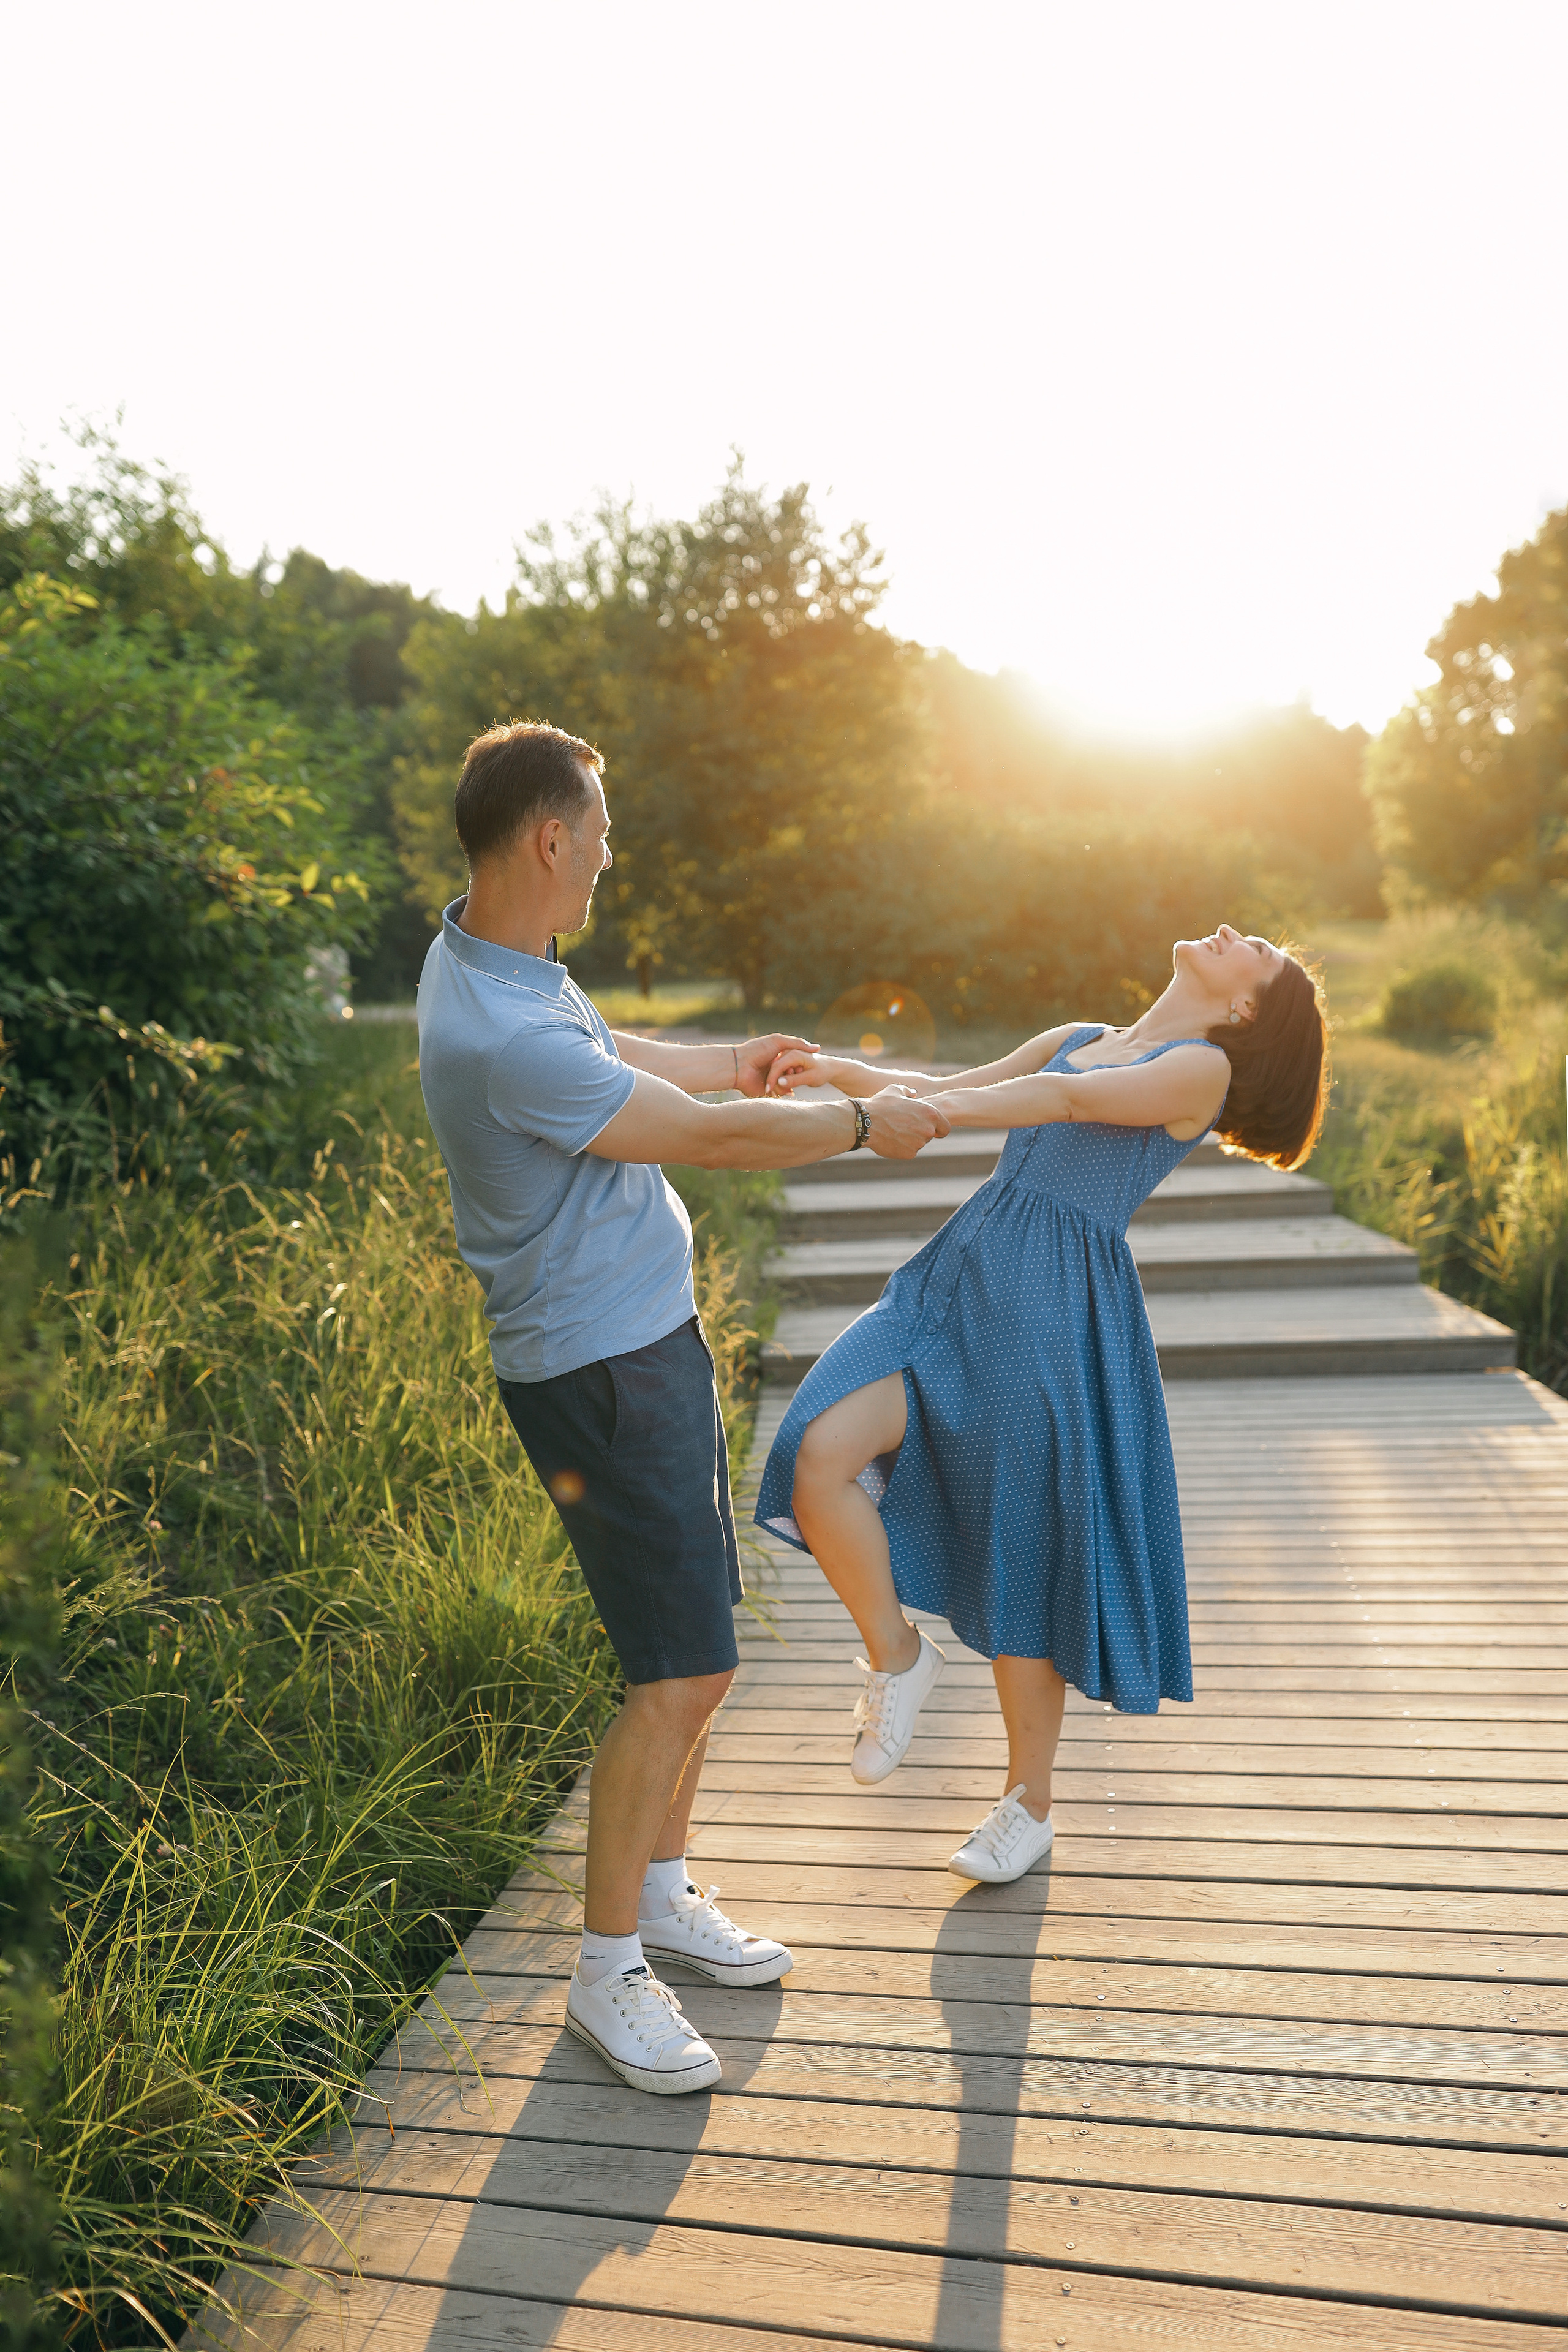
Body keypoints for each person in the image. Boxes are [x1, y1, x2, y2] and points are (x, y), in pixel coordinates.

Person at [416, 720, 949, 2095]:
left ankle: (658, 1894)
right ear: (550, 839)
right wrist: (854, 1123)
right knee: (676, 1678)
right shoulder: (496, 1030)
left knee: (698, 1650)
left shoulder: (495, 953)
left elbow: (623, 1055)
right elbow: (702, 1144)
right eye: (597, 831)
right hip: (602, 1374)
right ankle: (604, 1976)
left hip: (644, 1343)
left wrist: (731, 1055)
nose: (608, 854)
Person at [754, 927, 1329, 1884]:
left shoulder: (1198, 1072)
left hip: (1054, 1310)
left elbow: (1065, 1102)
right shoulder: (1082, 1030)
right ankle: (897, 1657)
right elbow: (962, 1078)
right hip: (957, 1278)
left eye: (1256, 952)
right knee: (820, 1450)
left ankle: (1028, 1804)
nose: (1234, 931)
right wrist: (841, 1073)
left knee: (1021, 1548)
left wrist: (930, 1119)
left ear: (1243, 1011)